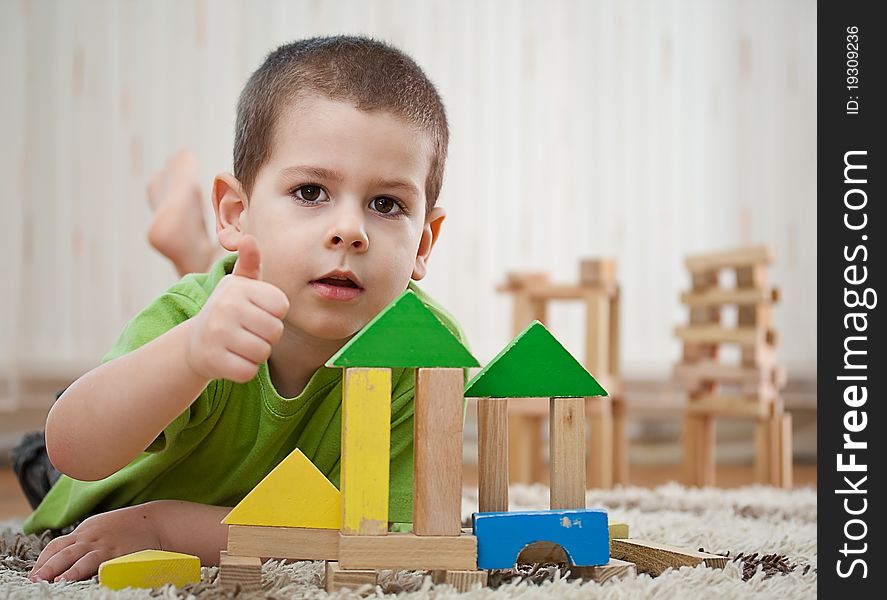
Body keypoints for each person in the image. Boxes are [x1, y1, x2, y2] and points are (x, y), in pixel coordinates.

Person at [23, 35, 463, 583]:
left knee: (266, 279)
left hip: (194, 499)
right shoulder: (193, 320)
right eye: (310, 192)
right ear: (236, 210)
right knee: (43, 455)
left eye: (385, 204)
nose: (349, 230)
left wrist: (165, 529)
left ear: (423, 242)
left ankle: (190, 241)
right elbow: (72, 451)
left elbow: (387, 538)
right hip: (123, 475)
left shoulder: (426, 353)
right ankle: (191, 244)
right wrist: (190, 354)